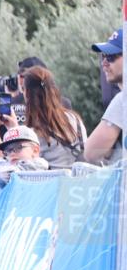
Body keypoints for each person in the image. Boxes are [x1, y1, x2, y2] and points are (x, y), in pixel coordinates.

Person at [14, 66, 87, 168]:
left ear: (27, 94)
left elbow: (17, 163)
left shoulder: (32, 133)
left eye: (23, 89)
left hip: (52, 182)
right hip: (79, 181)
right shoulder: (75, 119)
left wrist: (10, 129)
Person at [85, 28, 124, 165]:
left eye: (111, 57)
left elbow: (90, 153)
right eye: (104, 56)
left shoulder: (123, 100)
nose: (104, 63)